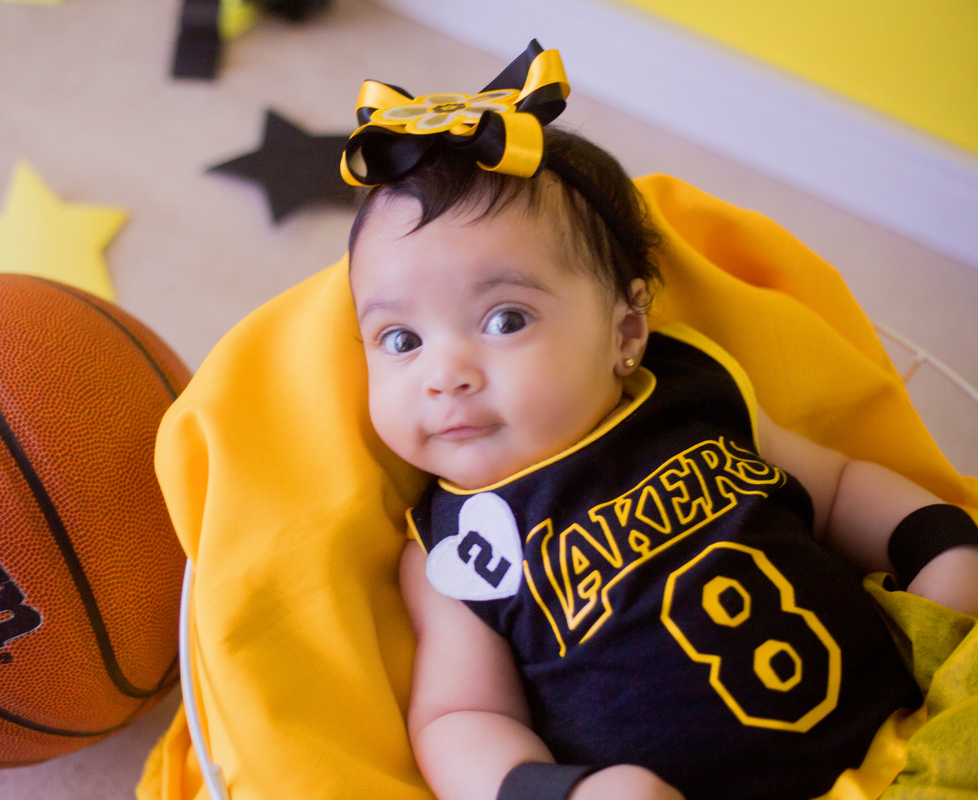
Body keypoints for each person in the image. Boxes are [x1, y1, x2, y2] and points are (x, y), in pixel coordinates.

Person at [343, 43, 978, 800]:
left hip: (917, 730)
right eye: (401, 341)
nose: (445, 373)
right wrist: (566, 793)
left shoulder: (690, 391)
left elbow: (835, 490)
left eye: (506, 318)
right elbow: (459, 714)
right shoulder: (451, 551)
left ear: (624, 335)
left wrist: (939, 547)